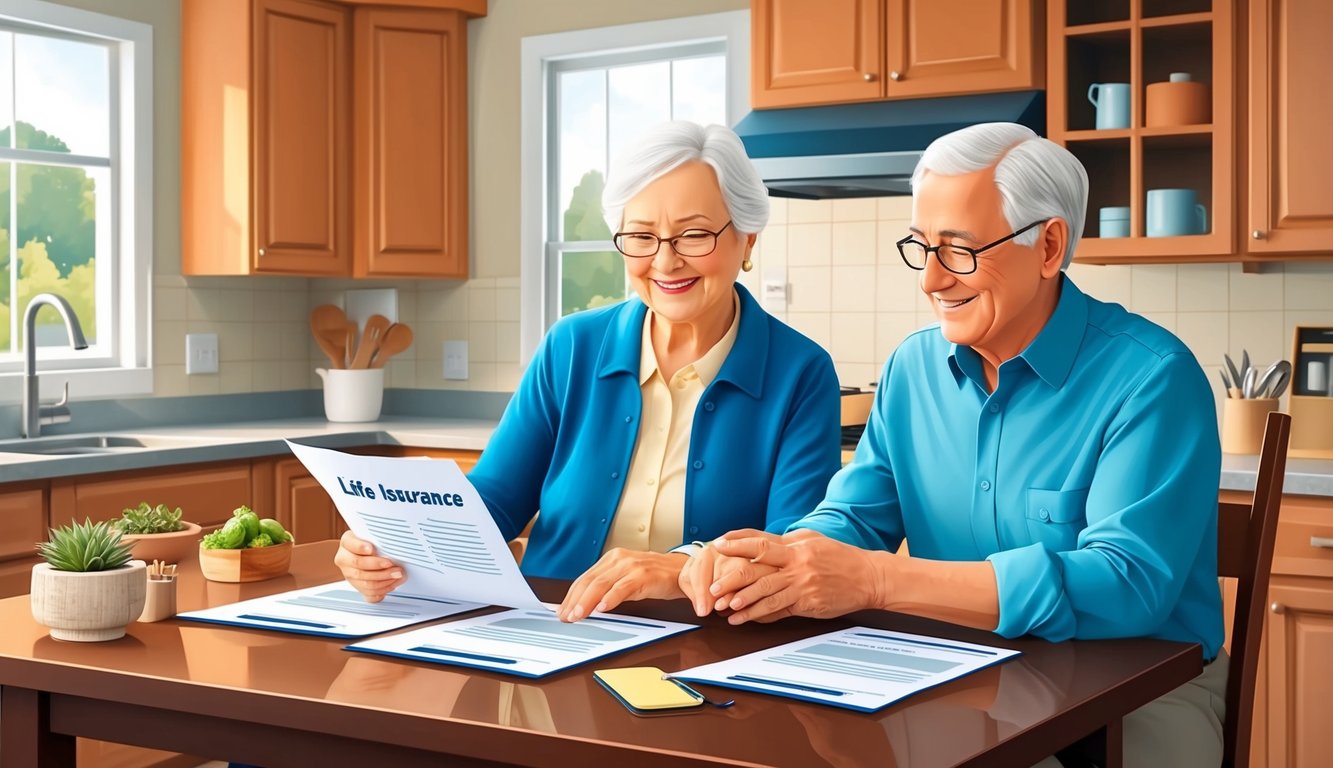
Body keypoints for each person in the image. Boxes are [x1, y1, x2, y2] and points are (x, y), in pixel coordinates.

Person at [688, 122, 1227, 767]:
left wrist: (878, 580)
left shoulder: (1151, 379)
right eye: (921, 247)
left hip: (1141, 697)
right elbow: (854, 519)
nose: (932, 281)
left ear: (1049, 245)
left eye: (960, 251)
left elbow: (1127, 584)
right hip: (960, 675)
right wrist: (773, 562)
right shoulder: (912, 370)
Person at [334, 120, 842, 623]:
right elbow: (495, 500)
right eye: (641, 236)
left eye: (693, 234)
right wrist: (398, 542)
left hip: (705, 649)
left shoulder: (801, 372)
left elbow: (791, 554)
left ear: (748, 239)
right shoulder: (571, 346)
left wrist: (679, 567)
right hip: (550, 632)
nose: (664, 262)